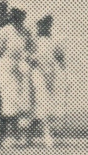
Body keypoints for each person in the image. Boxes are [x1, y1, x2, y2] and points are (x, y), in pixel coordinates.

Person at [0, 9, 34, 147]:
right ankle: (3, 137)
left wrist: (28, 60)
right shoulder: (5, 31)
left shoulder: (25, 32)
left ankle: (15, 135)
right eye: (17, 15)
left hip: (21, 68)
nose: (20, 18)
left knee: (20, 102)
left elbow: (31, 48)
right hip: (6, 67)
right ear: (12, 16)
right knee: (9, 102)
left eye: (22, 15)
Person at [29, 15, 67, 146]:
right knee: (42, 101)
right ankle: (47, 135)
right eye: (42, 24)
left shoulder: (54, 40)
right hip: (37, 73)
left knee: (43, 107)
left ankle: (30, 134)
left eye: (47, 24)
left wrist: (65, 77)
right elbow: (27, 57)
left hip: (52, 74)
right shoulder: (33, 41)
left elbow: (60, 58)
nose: (44, 27)